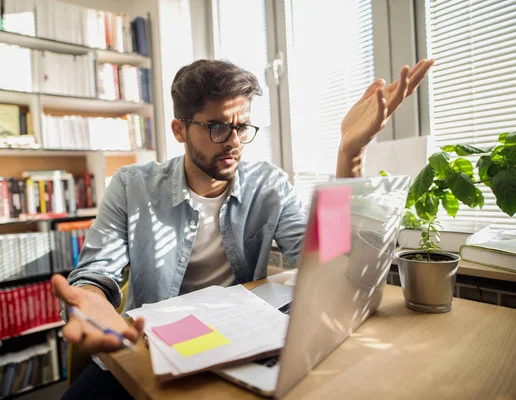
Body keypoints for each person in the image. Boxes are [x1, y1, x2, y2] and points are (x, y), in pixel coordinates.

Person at [53, 58, 434, 399]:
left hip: (237, 341)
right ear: (179, 130)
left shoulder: (269, 184)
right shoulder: (132, 185)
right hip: (148, 344)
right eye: (217, 127)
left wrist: (350, 153)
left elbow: (326, 260)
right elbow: (96, 273)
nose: (234, 142)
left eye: (241, 127)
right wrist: (89, 301)